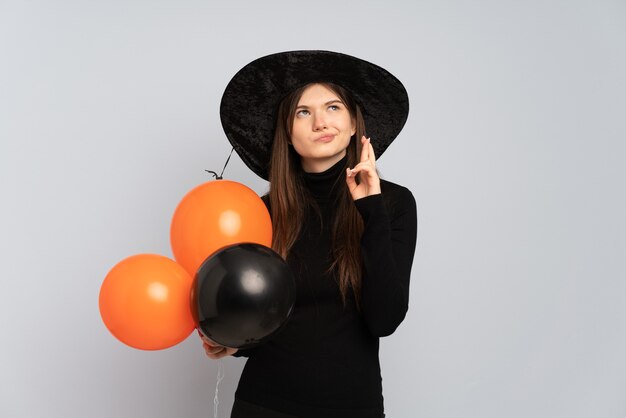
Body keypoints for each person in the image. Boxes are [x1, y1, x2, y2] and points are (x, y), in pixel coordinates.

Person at [202, 50, 417, 418]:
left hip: (352, 406)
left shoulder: (392, 204)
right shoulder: (263, 211)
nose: (321, 122)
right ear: (287, 132)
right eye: (304, 112)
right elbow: (266, 318)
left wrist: (371, 211)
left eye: (333, 108)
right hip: (263, 404)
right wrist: (232, 343)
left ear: (353, 125)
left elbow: (385, 320)